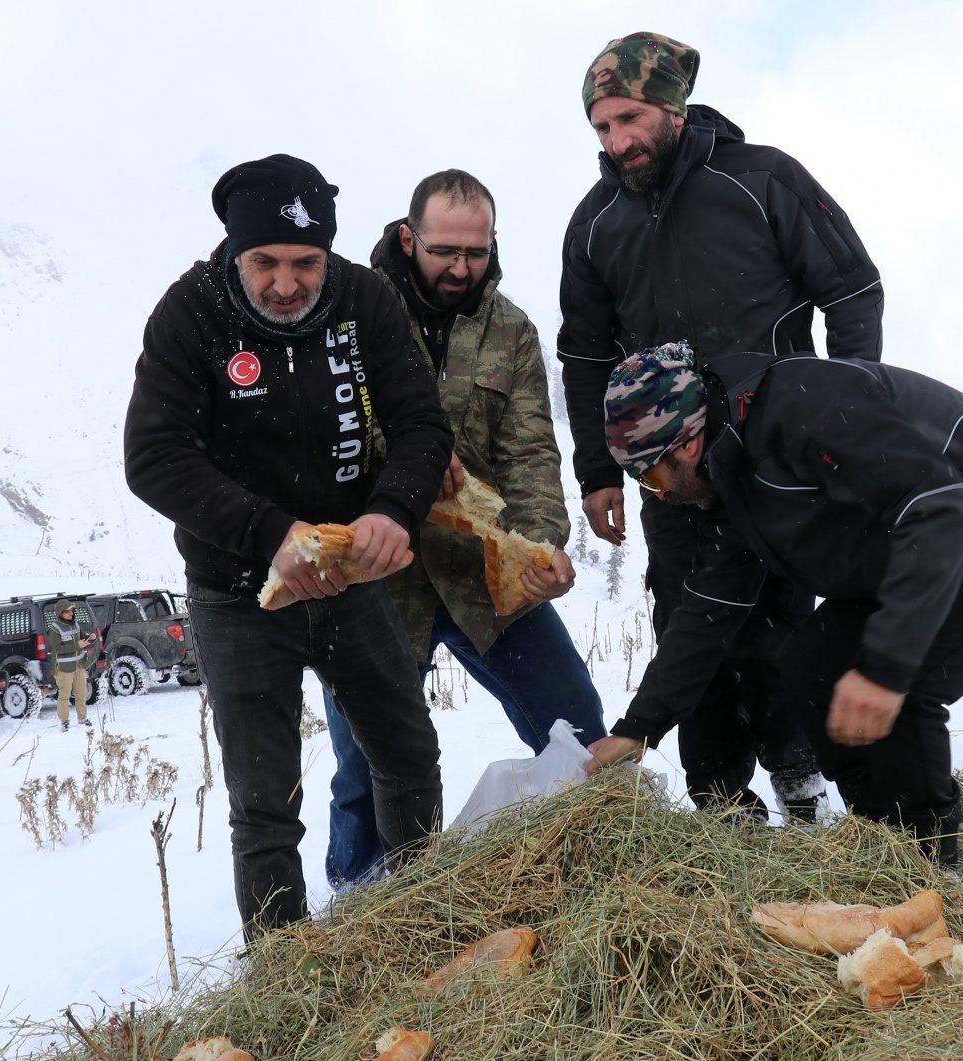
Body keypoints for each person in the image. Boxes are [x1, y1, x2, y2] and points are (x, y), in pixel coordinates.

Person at [594, 344, 963, 867]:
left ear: (689, 444)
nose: (653, 495)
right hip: (923, 547)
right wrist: (638, 729)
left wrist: (885, 668)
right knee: (810, 666)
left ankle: (928, 871)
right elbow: (709, 608)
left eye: (650, 477)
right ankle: (880, 845)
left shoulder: (803, 408)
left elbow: (937, 507)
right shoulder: (729, 478)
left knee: (902, 686)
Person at [559, 31, 887, 819]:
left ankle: (803, 790)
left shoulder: (762, 179)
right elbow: (581, 354)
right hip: (671, 472)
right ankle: (721, 810)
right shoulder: (596, 221)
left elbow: (852, 294)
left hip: (778, 454)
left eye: (630, 118)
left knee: (778, 629)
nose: (618, 141)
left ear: (672, 105)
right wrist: (600, 471)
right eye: (602, 127)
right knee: (687, 623)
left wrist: (847, 423)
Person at [124, 154, 452, 936]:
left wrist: (394, 510)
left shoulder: (363, 299)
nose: (284, 283)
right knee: (266, 804)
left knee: (407, 754)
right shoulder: (189, 314)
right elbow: (153, 456)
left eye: (305, 263)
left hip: (349, 580)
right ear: (235, 251)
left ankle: (431, 926)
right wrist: (270, 536)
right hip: (239, 594)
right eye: (264, 261)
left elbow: (421, 423)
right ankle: (282, 979)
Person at [322, 170, 607, 889]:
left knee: (574, 719)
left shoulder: (511, 330)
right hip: (378, 576)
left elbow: (532, 452)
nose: (460, 268)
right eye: (446, 250)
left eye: (476, 253)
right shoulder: (349, 311)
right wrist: (411, 459)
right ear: (408, 236)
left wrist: (541, 545)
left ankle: (602, 870)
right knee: (367, 759)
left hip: (482, 571)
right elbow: (330, 428)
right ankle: (358, 912)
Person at [48, 601, 91, 729]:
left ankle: (82, 720)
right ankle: (65, 722)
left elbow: (82, 637)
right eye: (67, 611)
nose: (71, 613)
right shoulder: (54, 629)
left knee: (81, 694)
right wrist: (77, 645)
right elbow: (58, 649)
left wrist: (90, 638)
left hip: (79, 666)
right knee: (64, 696)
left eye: (72, 611)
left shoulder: (75, 624)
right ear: (60, 613)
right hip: (64, 668)